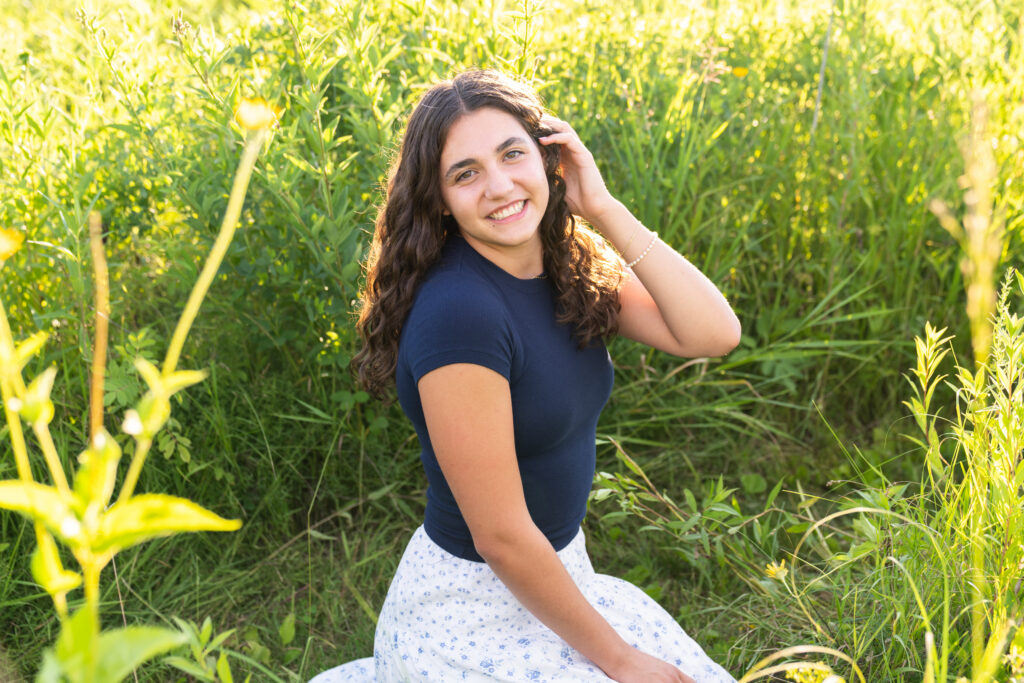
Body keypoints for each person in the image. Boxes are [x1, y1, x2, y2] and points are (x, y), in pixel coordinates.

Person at [311, 69, 740, 683]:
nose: (499, 186)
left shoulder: (569, 261)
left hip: (557, 579)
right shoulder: (461, 314)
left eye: (513, 154)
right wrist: (619, 660)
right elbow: (502, 536)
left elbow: (712, 334)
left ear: (549, 158)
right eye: (466, 173)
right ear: (439, 200)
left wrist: (603, 206)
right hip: (471, 609)